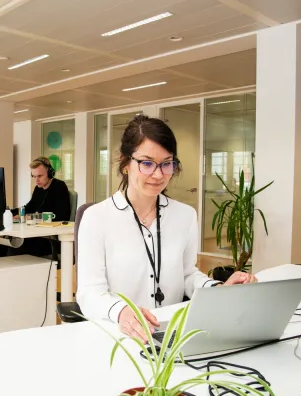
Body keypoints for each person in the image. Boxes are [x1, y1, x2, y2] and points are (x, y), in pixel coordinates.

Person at [76, 115, 257, 343]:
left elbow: (187, 274)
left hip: (173, 334)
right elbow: (89, 292)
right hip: (118, 338)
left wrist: (216, 289)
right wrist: (120, 311)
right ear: (125, 163)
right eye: (147, 163)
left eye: (166, 163)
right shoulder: (97, 218)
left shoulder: (185, 216)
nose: (159, 174)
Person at [0, 156, 71, 258]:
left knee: (14, 250)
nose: (36, 180)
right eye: (34, 176)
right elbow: (29, 208)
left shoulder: (59, 187)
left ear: (50, 173)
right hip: (35, 235)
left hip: (49, 239)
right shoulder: (39, 189)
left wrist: (31, 217)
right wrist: (6, 212)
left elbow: (60, 217)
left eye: (40, 176)